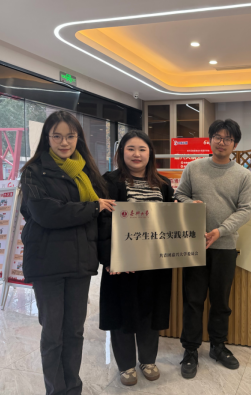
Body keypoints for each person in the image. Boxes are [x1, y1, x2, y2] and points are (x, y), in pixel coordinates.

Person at [20, 111, 116, 395]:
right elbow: (46, 213)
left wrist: (109, 257)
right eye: (57, 136)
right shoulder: (34, 171)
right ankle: (56, 391)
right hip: (47, 263)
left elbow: (102, 218)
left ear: (78, 138)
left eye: (70, 136)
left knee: (74, 332)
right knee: (53, 334)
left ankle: (73, 388)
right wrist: (92, 207)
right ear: (47, 138)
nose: (64, 142)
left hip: (80, 262)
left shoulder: (87, 171)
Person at [175, 119, 251, 379]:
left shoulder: (243, 175)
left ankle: (218, 346)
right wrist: (190, 203)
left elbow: (246, 210)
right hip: (194, 245)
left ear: (235, 144)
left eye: (228, 138)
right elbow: (179, 196)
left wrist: (220, 231)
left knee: (221, 301)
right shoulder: (193, 168)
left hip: (225, 246)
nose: (222, 142)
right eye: (218, 137)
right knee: (193, 300)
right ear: (210, 140)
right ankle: (190, 350)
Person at [97, 131, 175, 387]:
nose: (137, 154)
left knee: (150, 312)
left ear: (150, 153)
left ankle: (148, 360)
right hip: (122, 263)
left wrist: (188, 208)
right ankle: (126, 365)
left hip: (155, 262)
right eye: (131, 149)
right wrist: (110, 258)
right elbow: (102, 222)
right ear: (121, 152)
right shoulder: (109, 181)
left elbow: (171, 218)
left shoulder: (162, 184)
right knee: (122, 312)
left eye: (142, 149)